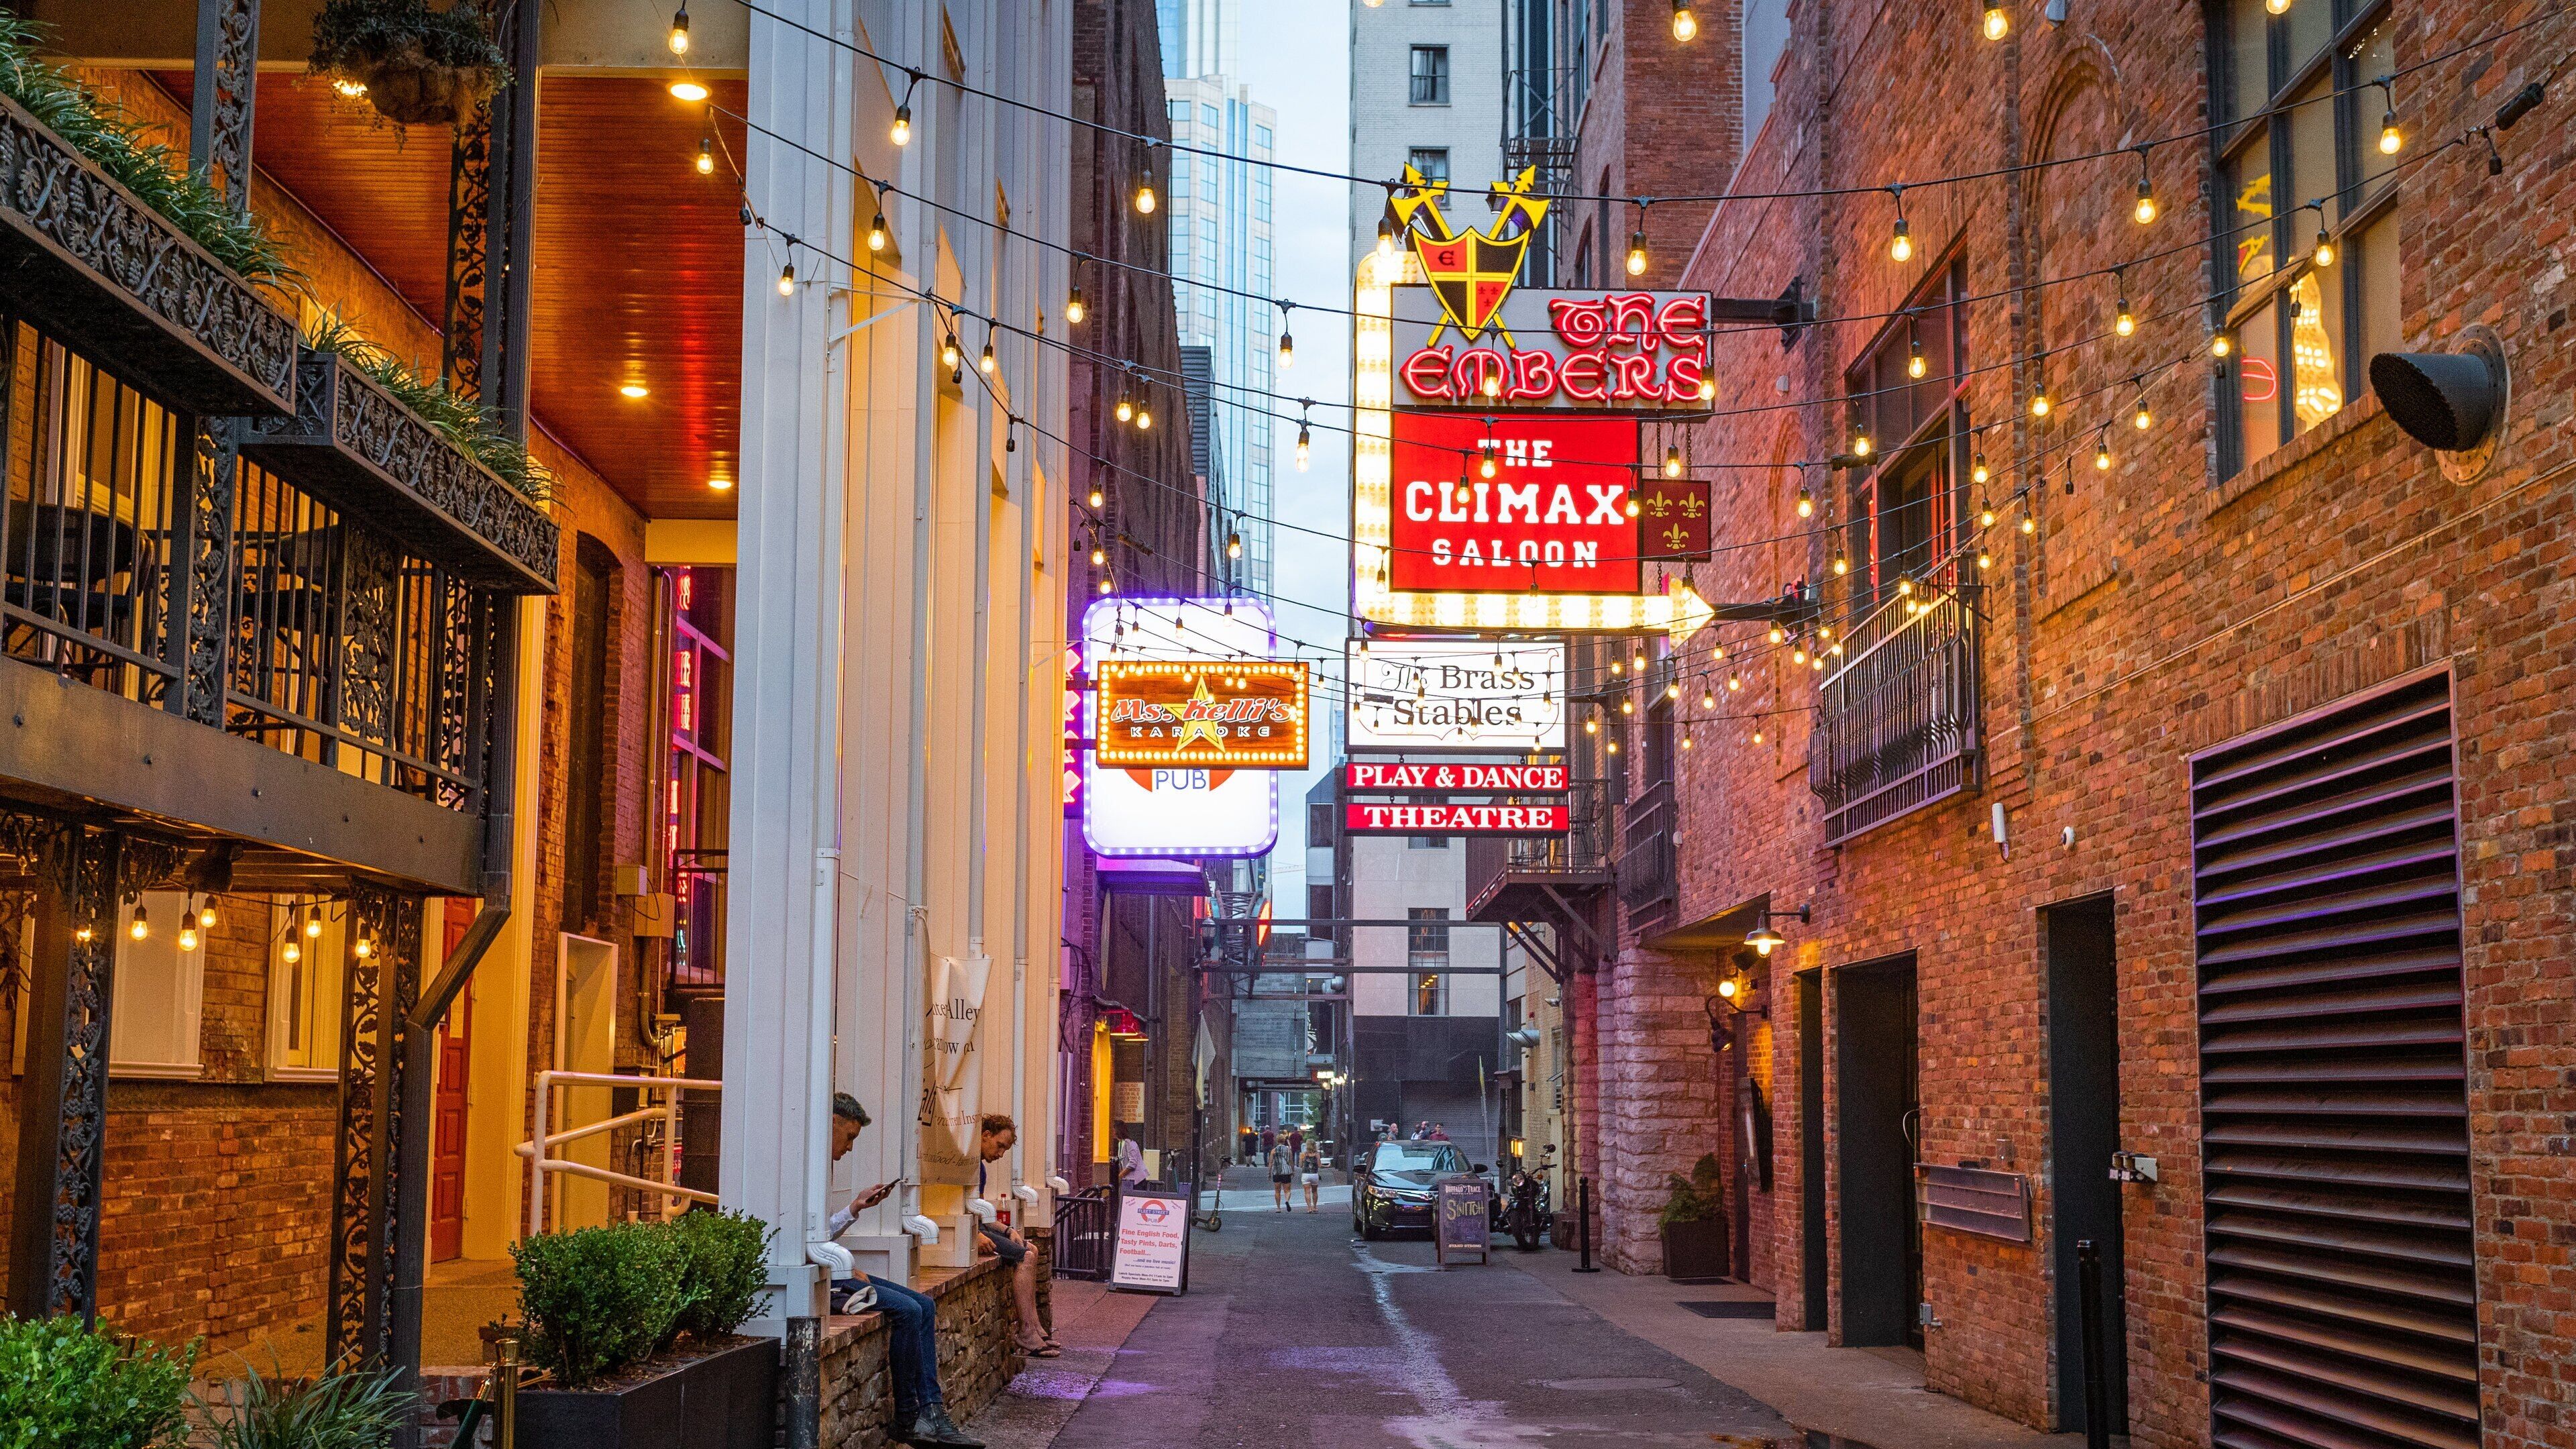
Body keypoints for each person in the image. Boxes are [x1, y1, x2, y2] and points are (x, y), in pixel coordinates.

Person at [826, 1093, 983, 1448]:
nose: (850, 1148)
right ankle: (909, 1417)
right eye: (849, 1137)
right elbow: (808, 1240)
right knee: (909, 1311)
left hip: (839, 1272)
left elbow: (819, 1234)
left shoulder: (823, 1167)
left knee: (924, 1305)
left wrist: (856, 1208)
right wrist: (843, 1265)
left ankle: (932, 1412)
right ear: (832, 1122)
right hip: (829, 1280)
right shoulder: (809, 1165)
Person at [975, 1114, 1057, 1358]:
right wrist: (976, 1236)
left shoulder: (980, 1168)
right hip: (973, 1231)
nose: (1001, 1154)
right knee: (1025, 1257)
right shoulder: (967, 1166)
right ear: (986, 1135)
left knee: (1033, 1249)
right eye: (999, 1146)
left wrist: (1008, 1230)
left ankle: (1036, 1327)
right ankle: (1026, 1331)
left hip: (978, 1227)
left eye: (1005, 1149)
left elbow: (981, 1213)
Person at [1267, 1134, 1295, 1211]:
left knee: (1277, 1191)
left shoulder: (1274, 1150)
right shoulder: (1288, 1150)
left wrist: (1269, 1173)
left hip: (1277, 1172)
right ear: (1284, 1141)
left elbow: (1270, 1162)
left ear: (1277, 1141)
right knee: (1287, 1190)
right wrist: (1293, 1171)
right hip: (1286, 1172)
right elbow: (1291, 1161)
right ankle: (1287, 1201)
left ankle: (1278, 1208)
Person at [1299, 1139, 1322, 1212]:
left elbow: (1300, 1165)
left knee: (1307, 1192)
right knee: (1315, 1192)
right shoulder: (1317, 1154)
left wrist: (1302, 1160)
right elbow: (1319, 1165)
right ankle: (1315, 1207)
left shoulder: (1303, 1154)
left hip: (1306, 1175)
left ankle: (1309, 1208)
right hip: (1314, 1175)